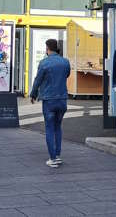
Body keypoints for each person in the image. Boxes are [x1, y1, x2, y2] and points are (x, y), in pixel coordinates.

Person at [29, 38, 71, 168]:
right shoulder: (65, 62)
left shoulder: (44, 63)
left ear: (47, 49)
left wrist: (33, 94)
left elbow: (37, 80)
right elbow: (67, 75)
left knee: (49, 128)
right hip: (62, 99)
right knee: (58, 127)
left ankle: (52, 158)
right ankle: (57, 155)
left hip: (49, 100)